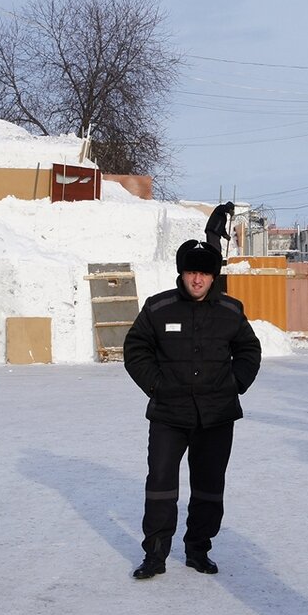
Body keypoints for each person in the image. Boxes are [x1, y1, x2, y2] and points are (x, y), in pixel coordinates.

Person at [124, 239, 262, 579]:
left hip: (216, 416)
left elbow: (249, 350)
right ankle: (155, 554)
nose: (197, 280)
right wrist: (156, 385)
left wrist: (234, 384)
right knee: (160, 484)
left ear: (213, 277)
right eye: (191, 272)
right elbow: (135, 348)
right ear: (181, 274)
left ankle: (198, 549)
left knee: (209, 487)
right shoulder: (159, 309)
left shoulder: (231, 311)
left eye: (203, 273)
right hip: (169, 415)